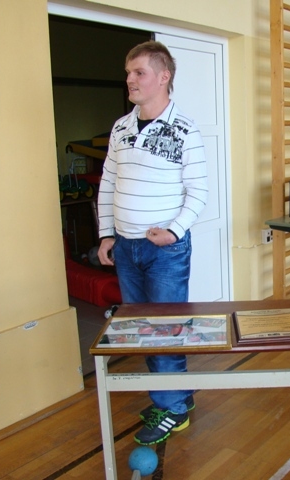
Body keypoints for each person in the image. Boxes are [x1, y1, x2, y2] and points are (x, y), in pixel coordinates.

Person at [97, 40, 208, 446]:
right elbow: (108, 182)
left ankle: (172, 407)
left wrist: (174, 230)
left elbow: (198, 192)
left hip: (165, 251)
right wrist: (106, 234)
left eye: (138, 72)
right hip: (126, 249)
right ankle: (175, 395)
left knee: (165, 330)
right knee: (144, 329)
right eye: (128, 73)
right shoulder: (120, 127)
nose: (130, 79)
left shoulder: (185, 130)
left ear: (164, 77)